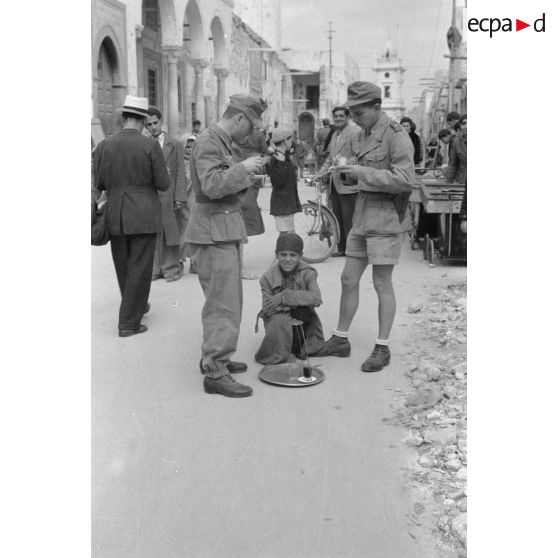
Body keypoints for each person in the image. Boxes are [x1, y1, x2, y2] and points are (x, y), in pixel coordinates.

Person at [314, 81, 415, 373]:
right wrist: (345, 173)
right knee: (348, 278)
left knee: (382, 283)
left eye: (359, 113)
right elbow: (360, 174)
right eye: (352, 113)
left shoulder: (397, 136)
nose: (355, 119)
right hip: (362, 215)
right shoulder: (363, 134)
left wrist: (363, 173)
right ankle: (341, 339)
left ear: (376, 107)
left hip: (385, 218)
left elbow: (406, 179)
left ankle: (382, 347)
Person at [185, 93, 267, 398]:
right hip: (213, 230)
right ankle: (215, 370)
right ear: (239, 118)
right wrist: (243, 168)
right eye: (251, 126)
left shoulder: (218, 141)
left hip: (221, 228)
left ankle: (216, 356)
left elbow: (222, 181)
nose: (252, 133)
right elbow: (211, 185)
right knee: (223, 303)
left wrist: (247, 176)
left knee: (227, 299)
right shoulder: (209, 141)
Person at [93, 95, 170, 337]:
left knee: (124, 265)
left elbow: (100, 182)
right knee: (140, 266)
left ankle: (136, 306)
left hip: (116, 212)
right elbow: (163, 184)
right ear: (143, 120)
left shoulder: (105, 144)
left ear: (123, 117)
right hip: (144, 213)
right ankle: (128, 323)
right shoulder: (150, 146)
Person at [255, 233, 325, 364]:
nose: (288, 259)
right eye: (283, 255)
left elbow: (316, 298)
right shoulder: (267, 278)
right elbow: (268, 308)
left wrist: (284, 297)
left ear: (300, 255)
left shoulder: (308, 272)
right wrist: (297, 302)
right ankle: (280, 354)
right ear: (276, 254)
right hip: (278, 322)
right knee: (279, 319)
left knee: (302, 313)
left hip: (303, 322)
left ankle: (300, 346)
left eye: (293, 255)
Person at [145, 106, 188, 282]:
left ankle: (171, 267)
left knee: (171, 230)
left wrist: (180, 197)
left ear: (161, 122)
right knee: (153, 231)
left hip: (169, 194)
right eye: (149, 124)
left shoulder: (175, 143)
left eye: (155, 122)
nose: (153, 127)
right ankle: (155, 269)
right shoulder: (144, 143)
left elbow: (179, 173)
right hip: (152, 195)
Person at [320, 106, 361, 256]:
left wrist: (345, 162)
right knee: (337, 217)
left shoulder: (355, 132)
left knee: (349, 219)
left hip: (348, 183)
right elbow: (330, 158)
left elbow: (360, 156)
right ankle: (341, 248)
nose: (338, 119)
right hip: (335, 183)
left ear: (348, 117)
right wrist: (320, 174)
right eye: (335, 116)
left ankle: (353, 250)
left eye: (341, 116)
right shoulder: (334, 134)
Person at [266, 126, 301, 234]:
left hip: (287, 203)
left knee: (289, 234)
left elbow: (292, 149)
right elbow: (277, 182)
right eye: (290, 140)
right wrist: (281, 164)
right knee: (286, 236)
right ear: (285, 141)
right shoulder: (276, 159)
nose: (292, 142)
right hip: (282, 205)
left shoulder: (283, 156)